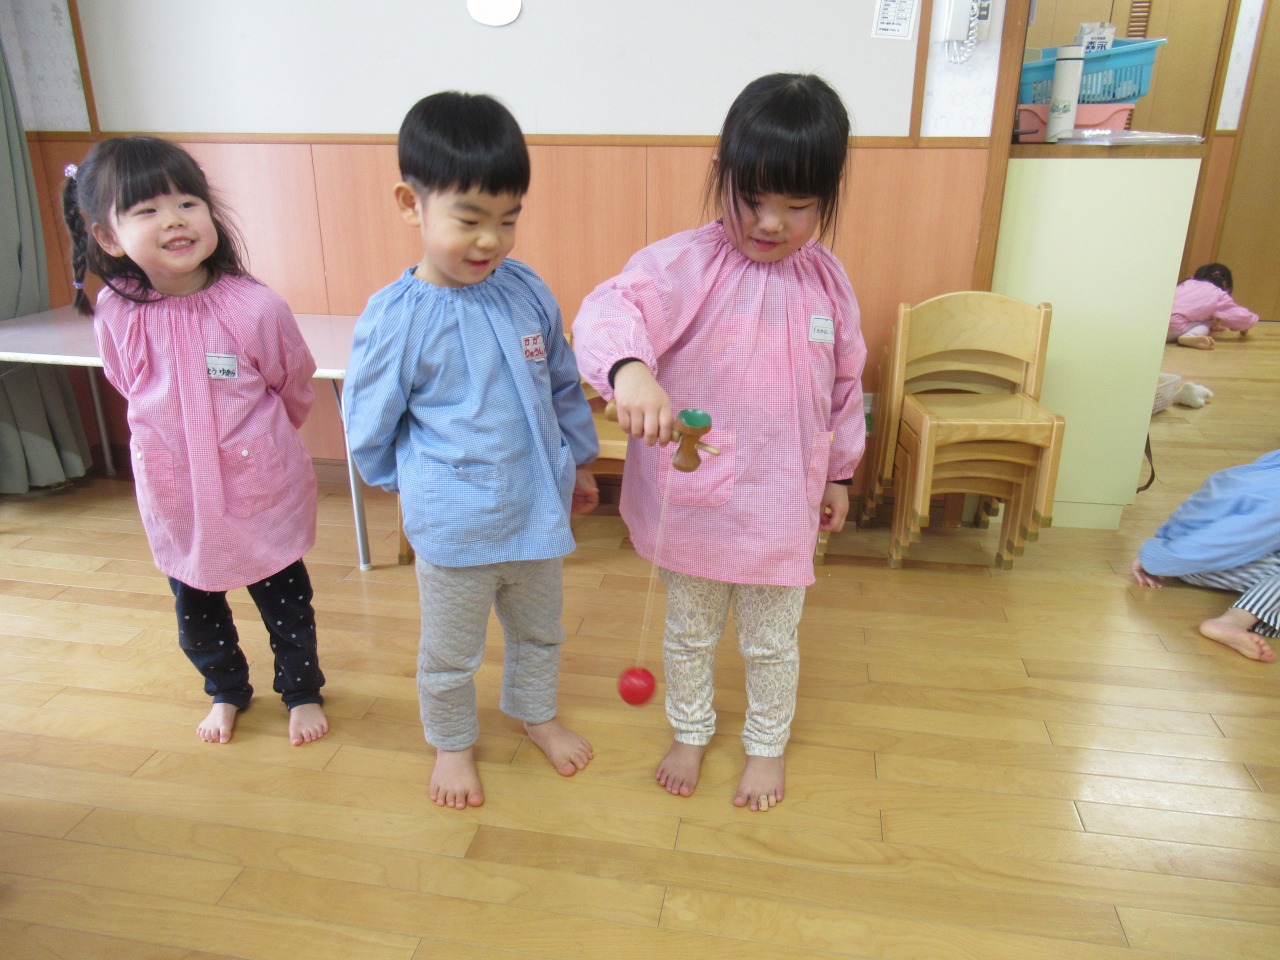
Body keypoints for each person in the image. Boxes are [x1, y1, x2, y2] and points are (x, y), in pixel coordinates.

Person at [572, 73, 867, 811]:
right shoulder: (683, 265)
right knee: (689, 632)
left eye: (797, 206)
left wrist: (840, 474)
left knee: (772, 642)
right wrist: (630, 370)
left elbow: (846, 384)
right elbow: (609, 310)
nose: (771, 222)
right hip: (699, 506)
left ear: (826, 199)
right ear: (721, 176)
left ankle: (767, 743)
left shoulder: (828, 283)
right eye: (753, 198)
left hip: (783, 507)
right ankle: (690, 728)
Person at [343, 92, 601, 810]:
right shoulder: (398, 318)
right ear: (411, 204)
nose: (492, 240)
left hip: (536, 516)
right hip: (455, 532)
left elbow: (561, 382)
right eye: (470, 219)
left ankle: (535, 714)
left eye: (508, 219)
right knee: (451, 653)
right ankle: (452, 744)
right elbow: (368, 423)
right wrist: (415, 487)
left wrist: (579, 462)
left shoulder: (526, 291)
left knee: (540, 633)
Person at [62, 137, 329, 745]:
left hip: (258, 490)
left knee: (286, 602)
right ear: (107, 236)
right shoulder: (116, 312)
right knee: (196, 609)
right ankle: (226, 689)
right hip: (175, 494)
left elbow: (293, 385)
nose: (174, 220)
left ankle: (302, 690)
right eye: (147, 210)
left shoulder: (254, 307)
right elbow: (128, 384)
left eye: (187, 202)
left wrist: (256, 446)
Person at [1131, 449, 1280, 662]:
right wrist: (1157, 558)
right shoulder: (1273, 509)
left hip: (1185, 547)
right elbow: (1224, 543)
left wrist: (1162, 542)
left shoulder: (1268, 467)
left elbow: (1198, 510)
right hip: (1202, 561)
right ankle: (1234, 621)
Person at [1167, 263, 1258, 350]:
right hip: (1173, 329)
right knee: (1206, 323)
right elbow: (1239, 317)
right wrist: (1245, 325)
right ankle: (1190, 336)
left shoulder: (1185, 284)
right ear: (1225, 283)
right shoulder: (1218, 294)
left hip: (1160, 326)